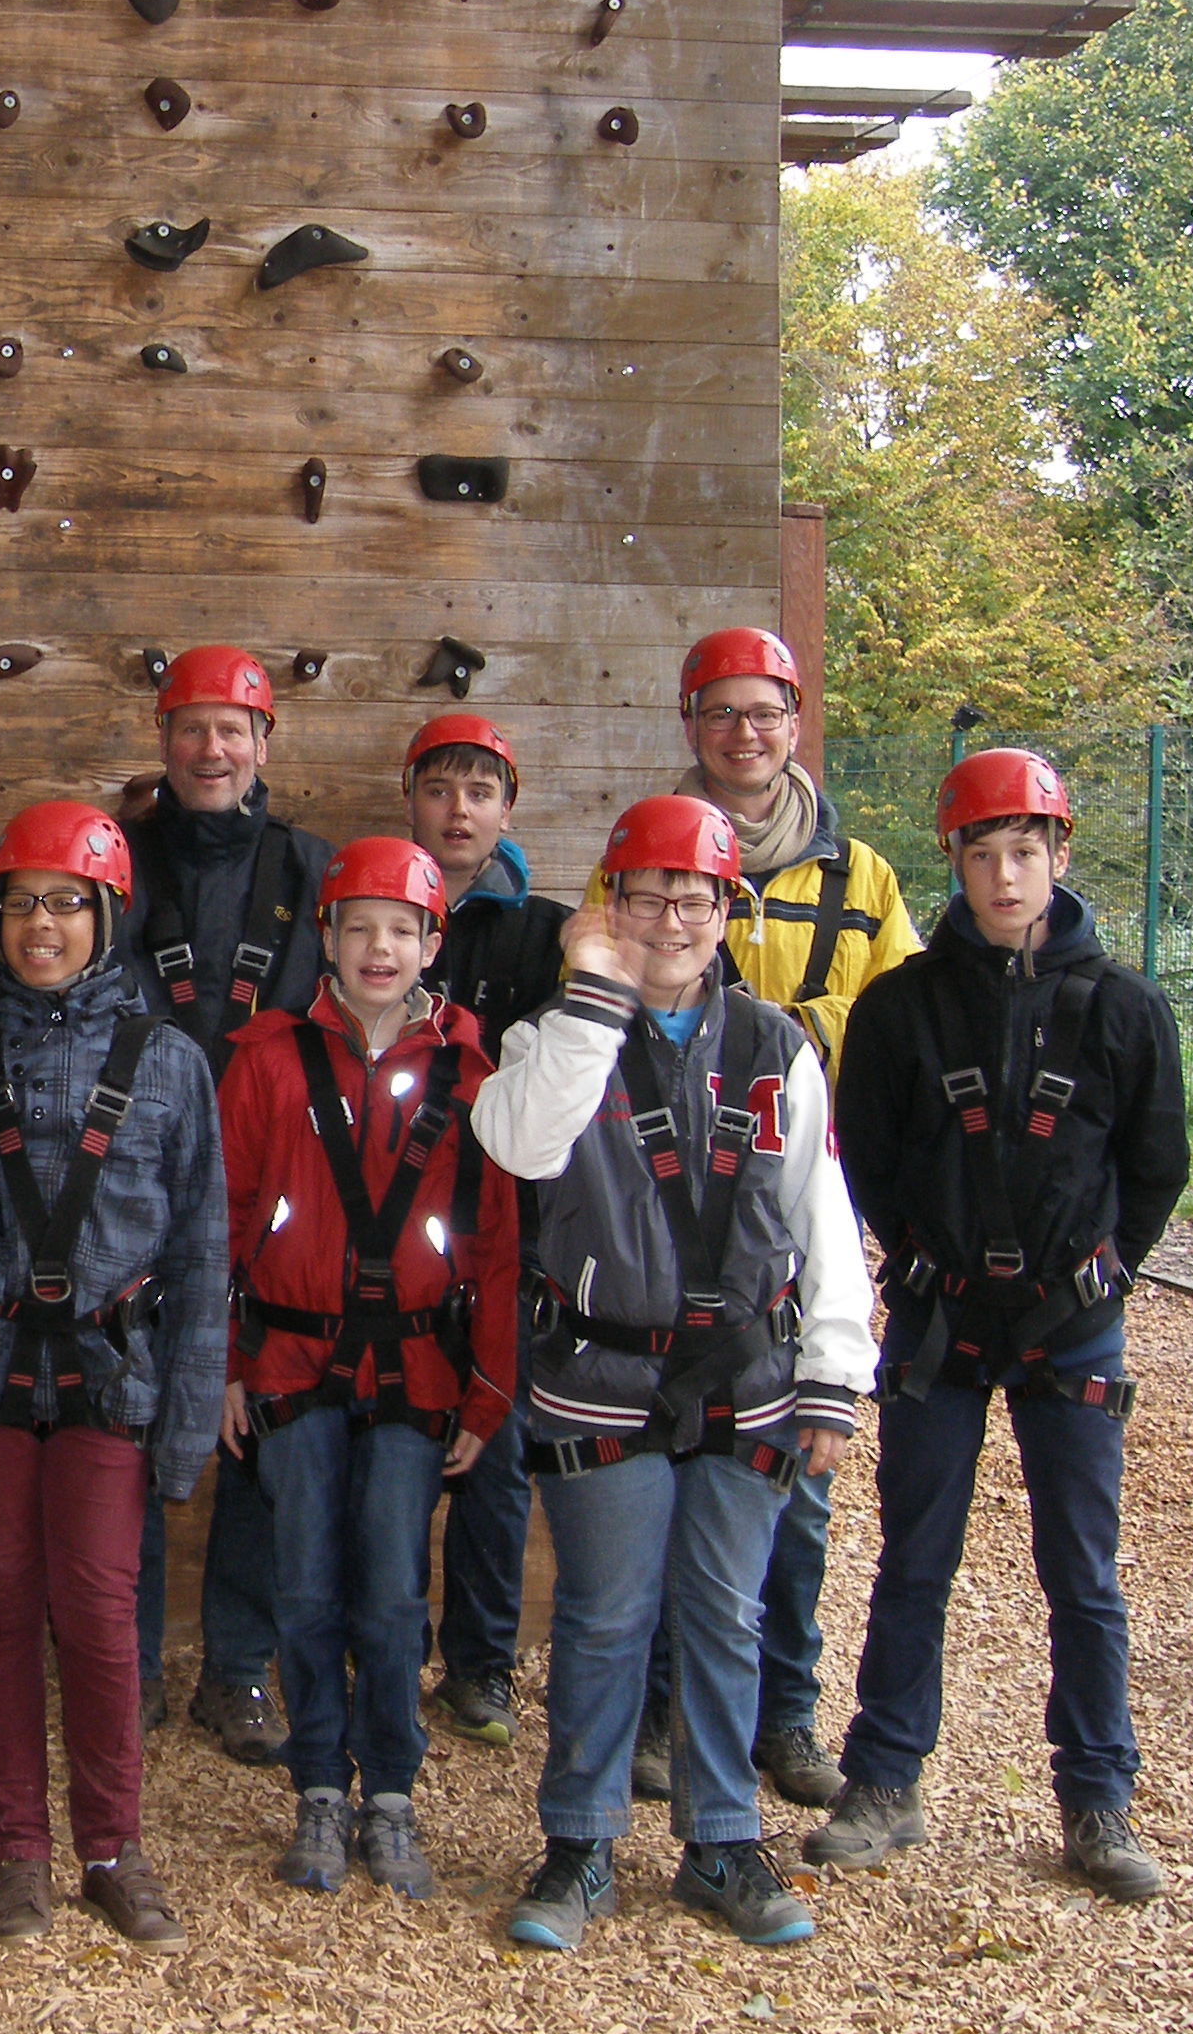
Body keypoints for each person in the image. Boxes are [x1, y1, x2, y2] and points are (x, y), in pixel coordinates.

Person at [474, 796, 874, 1955]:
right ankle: (581, 1842)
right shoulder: (553, 1035)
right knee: (604, 1617)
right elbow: (521, 1143)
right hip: (603, 1369)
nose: (671, 922)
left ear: (726, 910)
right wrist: (595, 997)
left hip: (749, 1374)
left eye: (694, 899)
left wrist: (834, 1374)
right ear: (610, 905)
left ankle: (722, 1842)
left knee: (725, 1617)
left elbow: (823, 1213)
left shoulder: (776, 1049)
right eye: (646, 897)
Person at [810, 750, 1186, 1903]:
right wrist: (932, 1257)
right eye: (985, 854)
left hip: (1072, 1323)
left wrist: (1102, 1272)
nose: (1007, 876)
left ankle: (1099, 1799)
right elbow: (871, 1160)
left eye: (1027, 851)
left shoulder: (1125, 1011)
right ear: (957, 863)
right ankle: (884, 1779)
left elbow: (1157, 1164)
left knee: (1083, 1570)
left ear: (1060, 854)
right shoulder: (901, 1009)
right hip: (942, 1318)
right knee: (914, 1556)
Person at [0, 802, 225, 1956]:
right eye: (21, 904)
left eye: (68, 903)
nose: (42, 926)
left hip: (113, 1376)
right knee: (2, 1603)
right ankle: (17, 1851)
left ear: (107, 916)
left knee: (101, 1614)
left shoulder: (170, 1066)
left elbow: (203, 1250)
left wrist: (186, 1429)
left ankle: (113, 1849)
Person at [603, 629, 920, 1810]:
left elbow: (893, 1018)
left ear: (795, 723)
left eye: (766, 712)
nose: (745, 733)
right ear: (691, 723)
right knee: (662, 1459)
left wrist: (782, 1040)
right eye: (722, 712)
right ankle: (656, 1711)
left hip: (785, 1186)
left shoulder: (860, 879)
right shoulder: (641, 850)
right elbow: (609, 992)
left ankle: (784, 1713)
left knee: (792, 1488)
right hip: (664, 1193)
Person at [217, 839, 519, 1901]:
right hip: (291, 1355)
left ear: (433, 943)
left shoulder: (471, 1077)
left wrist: (490, 1387)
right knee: (304, 1583)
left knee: (391, 1593)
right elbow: (226, 1215)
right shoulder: (267, 1060)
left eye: (401, 929)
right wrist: (226, 1367)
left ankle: (389, 1790)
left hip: (419, 1368)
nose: (379, 948)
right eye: (359, 928)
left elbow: (496, 1242)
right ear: (327, 939)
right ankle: (317, 1784)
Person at [124, 646, 332, 1763]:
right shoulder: (119, 861)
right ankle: (133, 1662)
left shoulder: (310, 867)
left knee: (262, 1412)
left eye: (232, 729)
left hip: (270, 1180)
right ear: (163, 740)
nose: (212, 749)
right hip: (133, 1172)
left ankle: (238, 1666)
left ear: (264, 743)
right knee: (130, 1407)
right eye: (191, 729)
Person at [401, 714, 572, 1751]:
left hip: (504, 1225)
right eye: (439, 790)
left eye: (478, 792)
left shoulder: (548, 936)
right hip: (384, 1221)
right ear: (410, 801)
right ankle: (381, 1643)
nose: (457, 811)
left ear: (508, 809)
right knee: (387, 1445)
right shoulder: (374, 913)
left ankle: (481, 1667)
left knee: (496, 1454)